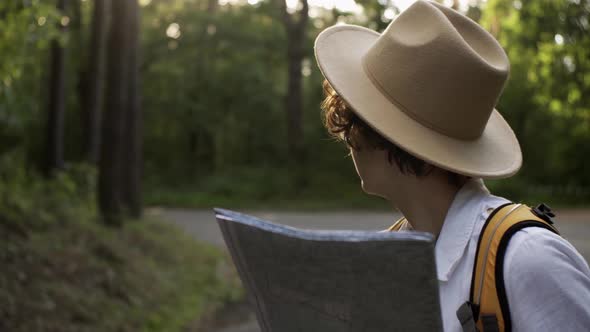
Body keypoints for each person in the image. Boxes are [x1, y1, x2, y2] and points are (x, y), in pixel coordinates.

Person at [313, 1, 590, 331]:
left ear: (386, 138)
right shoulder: (390, 255)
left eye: (357, 120)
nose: (348, 137)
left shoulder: (529, 259)